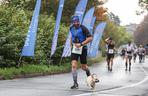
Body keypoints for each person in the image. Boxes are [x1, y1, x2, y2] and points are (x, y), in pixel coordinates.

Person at [70, 15, 99, 89]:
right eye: (74, 22)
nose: (76, 23)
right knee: (73, 65)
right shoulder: (71, 28)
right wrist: (71, 45)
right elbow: (71, 36)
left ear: (79, 21)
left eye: (77, 22)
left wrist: (81, 44)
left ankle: (90, 76)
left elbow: (90, 38)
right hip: (75, 49)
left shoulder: (83, 28)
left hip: (83, 48)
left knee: (83, 67)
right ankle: (75, 83)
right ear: (72, 22)